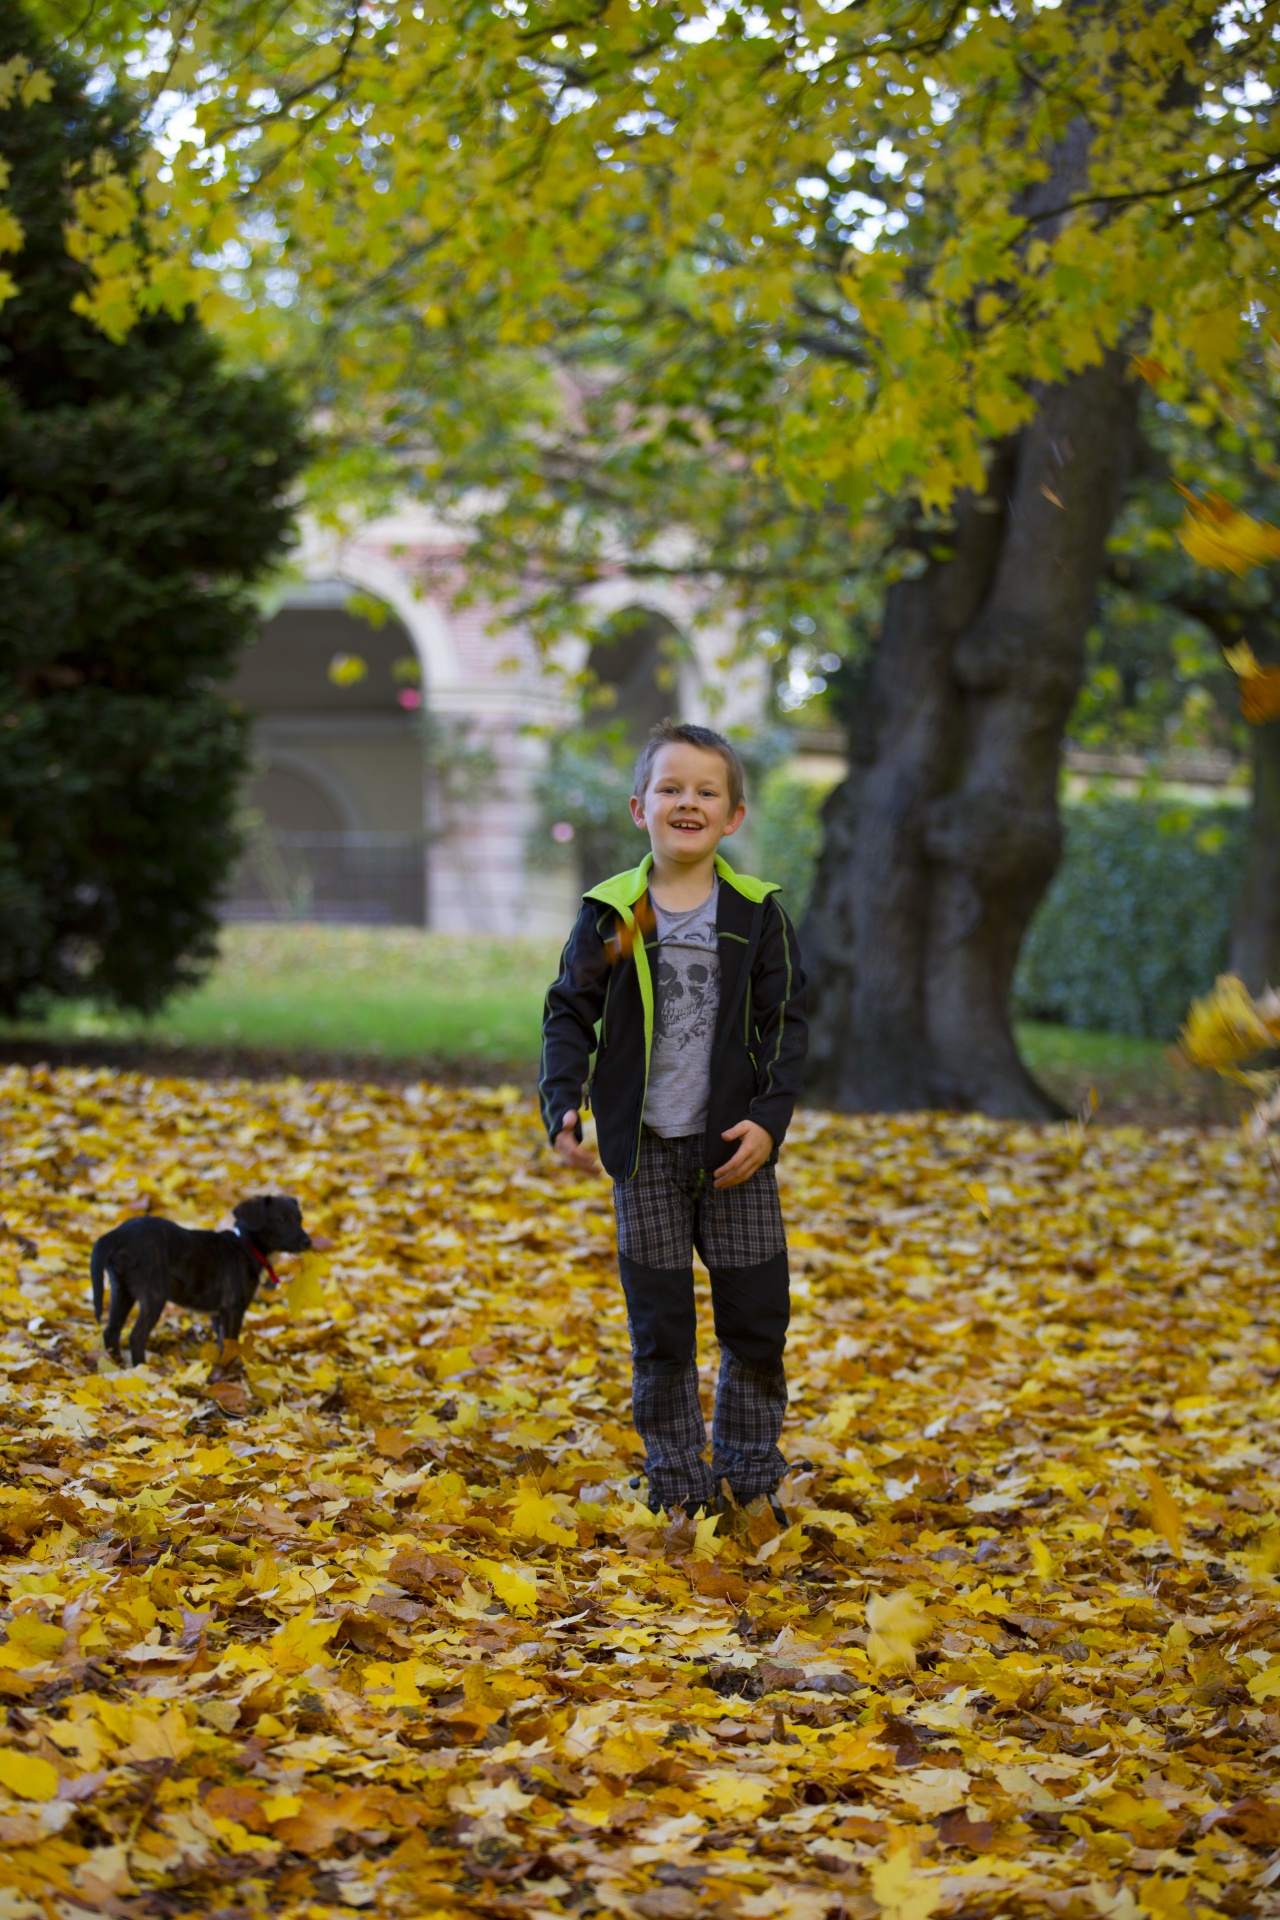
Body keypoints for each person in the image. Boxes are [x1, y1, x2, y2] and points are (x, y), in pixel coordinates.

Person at [539, 719, 808, 1520]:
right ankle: (676, 1480)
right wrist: (564, 1103)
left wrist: (768, 1122)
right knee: (661, 1329)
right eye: (671, 788)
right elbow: (568, 1013)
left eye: (706, 791)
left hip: (734, 1154)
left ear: (733, 817)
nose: (687, 801)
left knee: (756, 1317)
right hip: (644, 1153)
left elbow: (786, 1024)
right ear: (639, 807)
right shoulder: (615, 915)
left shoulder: (757, 915)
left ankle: (750, 1470)